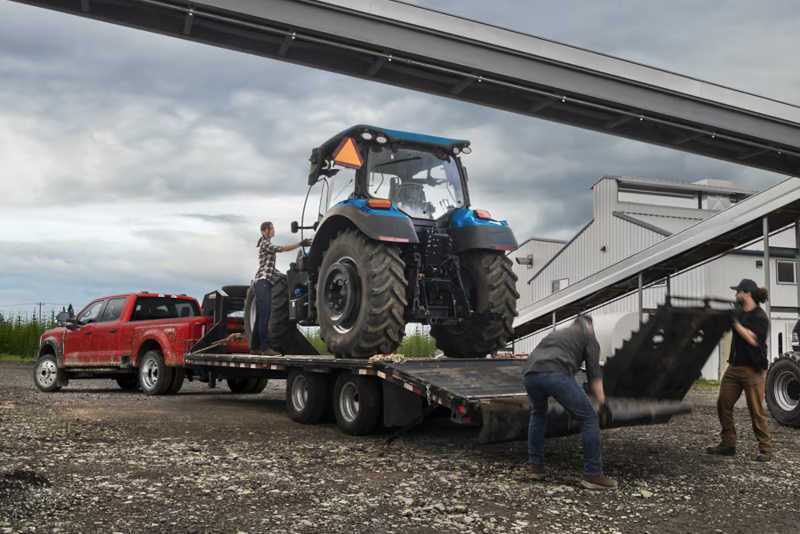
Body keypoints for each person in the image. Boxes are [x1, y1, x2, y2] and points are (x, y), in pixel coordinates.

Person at [522, 315, 617, 490]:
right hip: (556, 373)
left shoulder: (557, 333)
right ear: (590, 326)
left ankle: (535, 467)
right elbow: (594, 373)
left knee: (538, 414)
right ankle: (593, 475)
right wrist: (603, 403)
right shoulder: (589, 336)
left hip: (530, 374)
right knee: (589, 418)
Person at [706, 278, 773, 461]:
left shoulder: (760, 317)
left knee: (756, 411)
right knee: (723, 404)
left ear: (747, 293)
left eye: (738, 292)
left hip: (753, 370)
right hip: (734, 368)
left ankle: (765, 449)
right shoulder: (739, 313)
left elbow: (752, 339)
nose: (735, 295)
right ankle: (728, 444)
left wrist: (734, 323)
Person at [253, 221, 310, 355]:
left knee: (261, 316)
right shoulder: (266, 243)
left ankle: (254, 347)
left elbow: (269, 268)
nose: (273, 231)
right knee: (265, 316)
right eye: (272, 229)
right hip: (262, 282)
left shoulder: (264, 243)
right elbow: (281, 249)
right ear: (264, 231)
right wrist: (299, 244)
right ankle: (265, 348)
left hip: (262, 282)